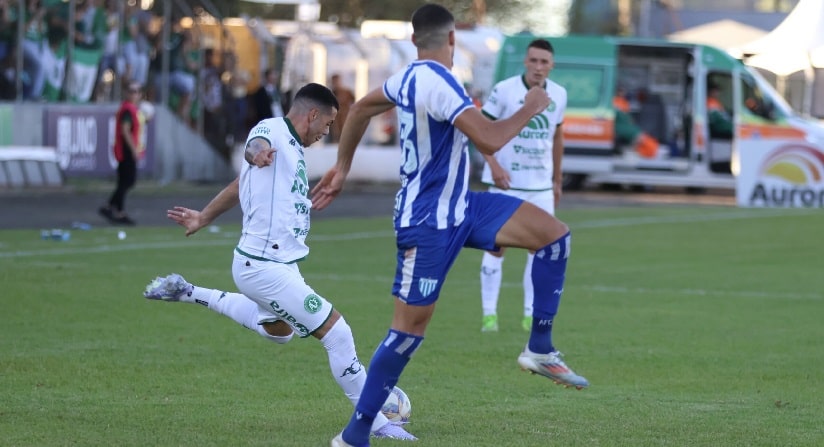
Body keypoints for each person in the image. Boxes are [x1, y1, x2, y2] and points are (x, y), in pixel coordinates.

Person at [308, 5, 589, 447]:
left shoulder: (407, 76)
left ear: (417, 40)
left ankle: (538, 348)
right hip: (427, 222)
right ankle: (354, 435)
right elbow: (491, 138)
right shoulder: (438, 82)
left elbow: (359, 108)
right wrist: (533, 106)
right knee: (409, 330)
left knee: (554, 237)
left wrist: (342, 167)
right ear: (452, 39)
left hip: (464, 207)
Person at [141, 83, 416, 442]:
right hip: (263, 265)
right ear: (313, 114)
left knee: (279, 332)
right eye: (329, 123)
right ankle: (376, 423)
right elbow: (255, 147)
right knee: (338, 333)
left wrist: (204, 217)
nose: (326, 132)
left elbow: (241, 183)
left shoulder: (292, 150)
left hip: (278, 264)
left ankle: (188, 291)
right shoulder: (272, 131)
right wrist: (256, 154)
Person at [478, 38, 567, 333]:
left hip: (540, 187)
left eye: (545, 62)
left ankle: (530, 313)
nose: (539, 67)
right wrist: (494, 166)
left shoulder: (559, 95)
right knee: (496, 248)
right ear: (526, 62)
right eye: (534, 61)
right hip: (506, 183)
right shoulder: (505, 90)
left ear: (552, 65)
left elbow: (556, 136)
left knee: (541, 249)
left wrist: (556, 179)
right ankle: (489, 315)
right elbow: (481, 130)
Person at [99, 82, 145, 225]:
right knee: (128, 181)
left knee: (124, 181)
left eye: (135, 91)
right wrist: (133, 149)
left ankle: (118, 210)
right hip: (125, 149)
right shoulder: (127, 110)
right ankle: (110, 206)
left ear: (140, 94)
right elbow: (125, 130)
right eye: (131, 91)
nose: (133, 94)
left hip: (125, 149)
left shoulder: (131, 110)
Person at [329, 73, 355, 143]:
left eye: (337, 81)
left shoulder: (347, 92)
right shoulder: (330, 93)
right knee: (336, 135)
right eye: (333, 81)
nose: (335, 83)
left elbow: (354, 102)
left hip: (345, 116)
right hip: (335, 119)